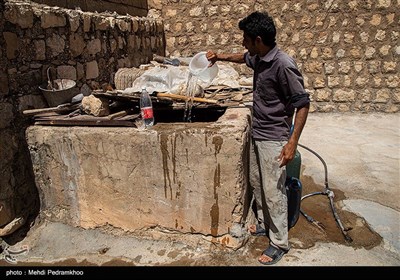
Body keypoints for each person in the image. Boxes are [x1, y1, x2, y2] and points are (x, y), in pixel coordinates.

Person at [207, 11, 310, 265]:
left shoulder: (283, 64)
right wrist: (219, 56)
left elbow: (303, 104)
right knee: (257, 182)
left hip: (275, 138)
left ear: (259, 39)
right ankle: (264, 224)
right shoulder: (261, 57)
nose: (243, 43)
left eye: (246, 38)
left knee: (274, 191)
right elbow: (242, 58)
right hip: (258, 132)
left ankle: (279, 242)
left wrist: (291, 142)